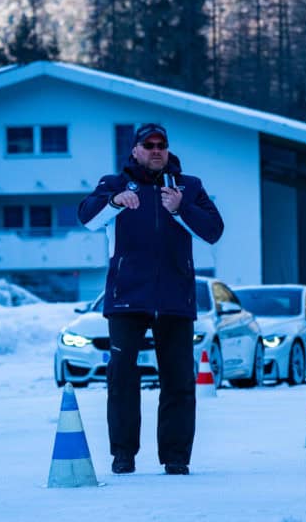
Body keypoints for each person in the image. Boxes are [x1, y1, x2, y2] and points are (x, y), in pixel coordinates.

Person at [78, 123, 224, 476]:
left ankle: (176, 457)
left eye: (161, 145)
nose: (156, 150)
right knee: (122, 378)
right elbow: (87, 218)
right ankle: (123, 455)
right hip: (127, 297)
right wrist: (115, 202)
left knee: (179, 380)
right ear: (135, 150)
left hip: (175, 297)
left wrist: (180, 208)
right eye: (149, 145)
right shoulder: (113, 184)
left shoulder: (189, 187)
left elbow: (213, 231)